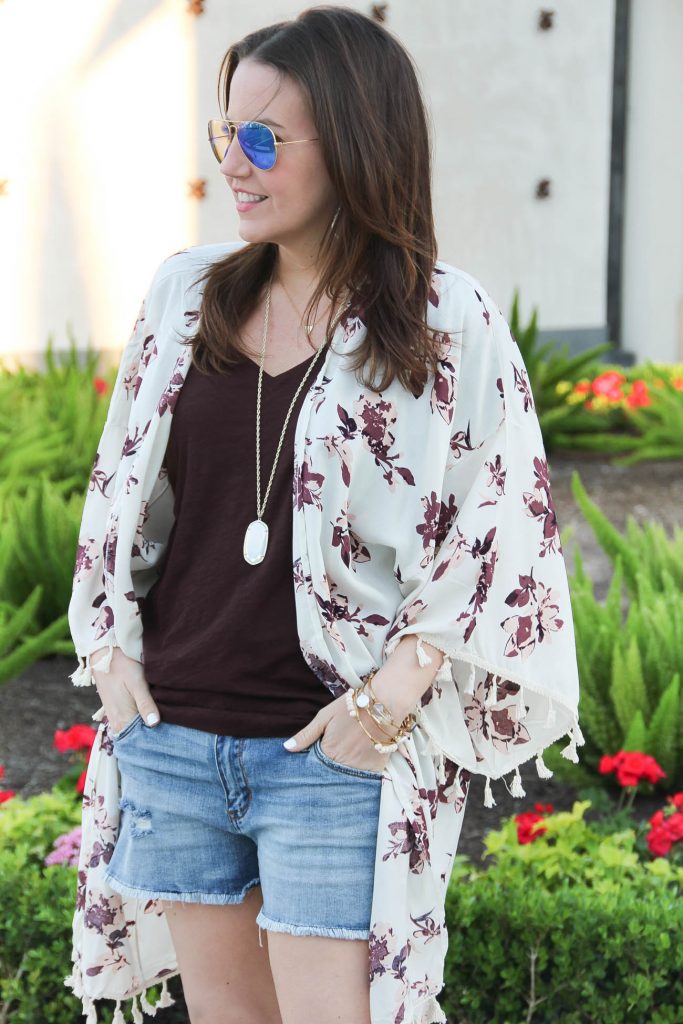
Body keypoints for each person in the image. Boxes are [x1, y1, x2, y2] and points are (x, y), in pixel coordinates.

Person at [64, 6, 582, 1024]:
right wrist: (112, 659)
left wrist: (387, 699)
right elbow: (116, 490)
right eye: (226, 136)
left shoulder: (445, 323)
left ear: (350, 144)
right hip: (172, 733)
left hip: (328, 753)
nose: (235, 165)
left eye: (264, 139)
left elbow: (499, 524)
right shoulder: (185, 295)